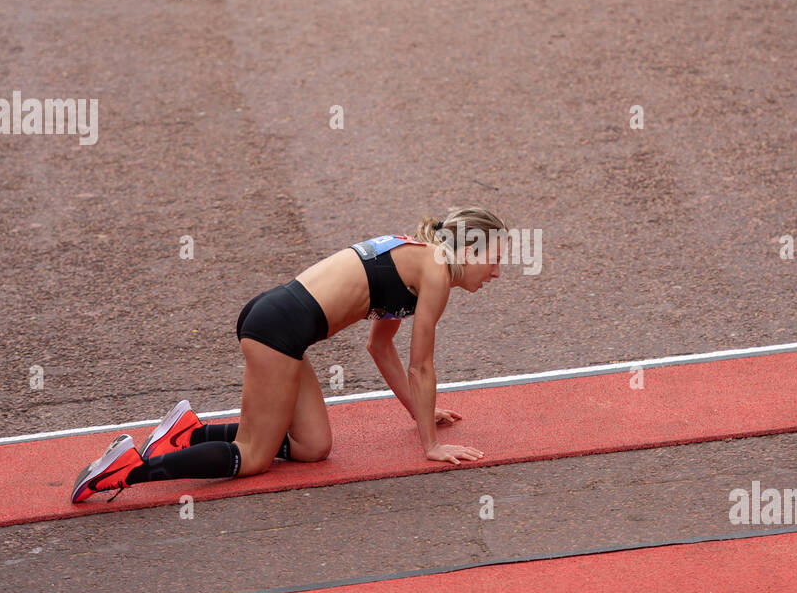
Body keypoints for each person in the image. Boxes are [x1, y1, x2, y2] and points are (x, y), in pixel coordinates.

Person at [72, 207, 508, 503]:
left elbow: (379, 346)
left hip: (284, 325)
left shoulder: (420, 263)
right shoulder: (434, 268)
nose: (497, 271)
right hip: (276, 328)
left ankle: (187, 434)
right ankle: (125, 470)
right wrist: (430, 446)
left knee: (312, 447)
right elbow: (421, 365)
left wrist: (421, 414)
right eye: (493, 258)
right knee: (254, 456)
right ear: (468, 250)